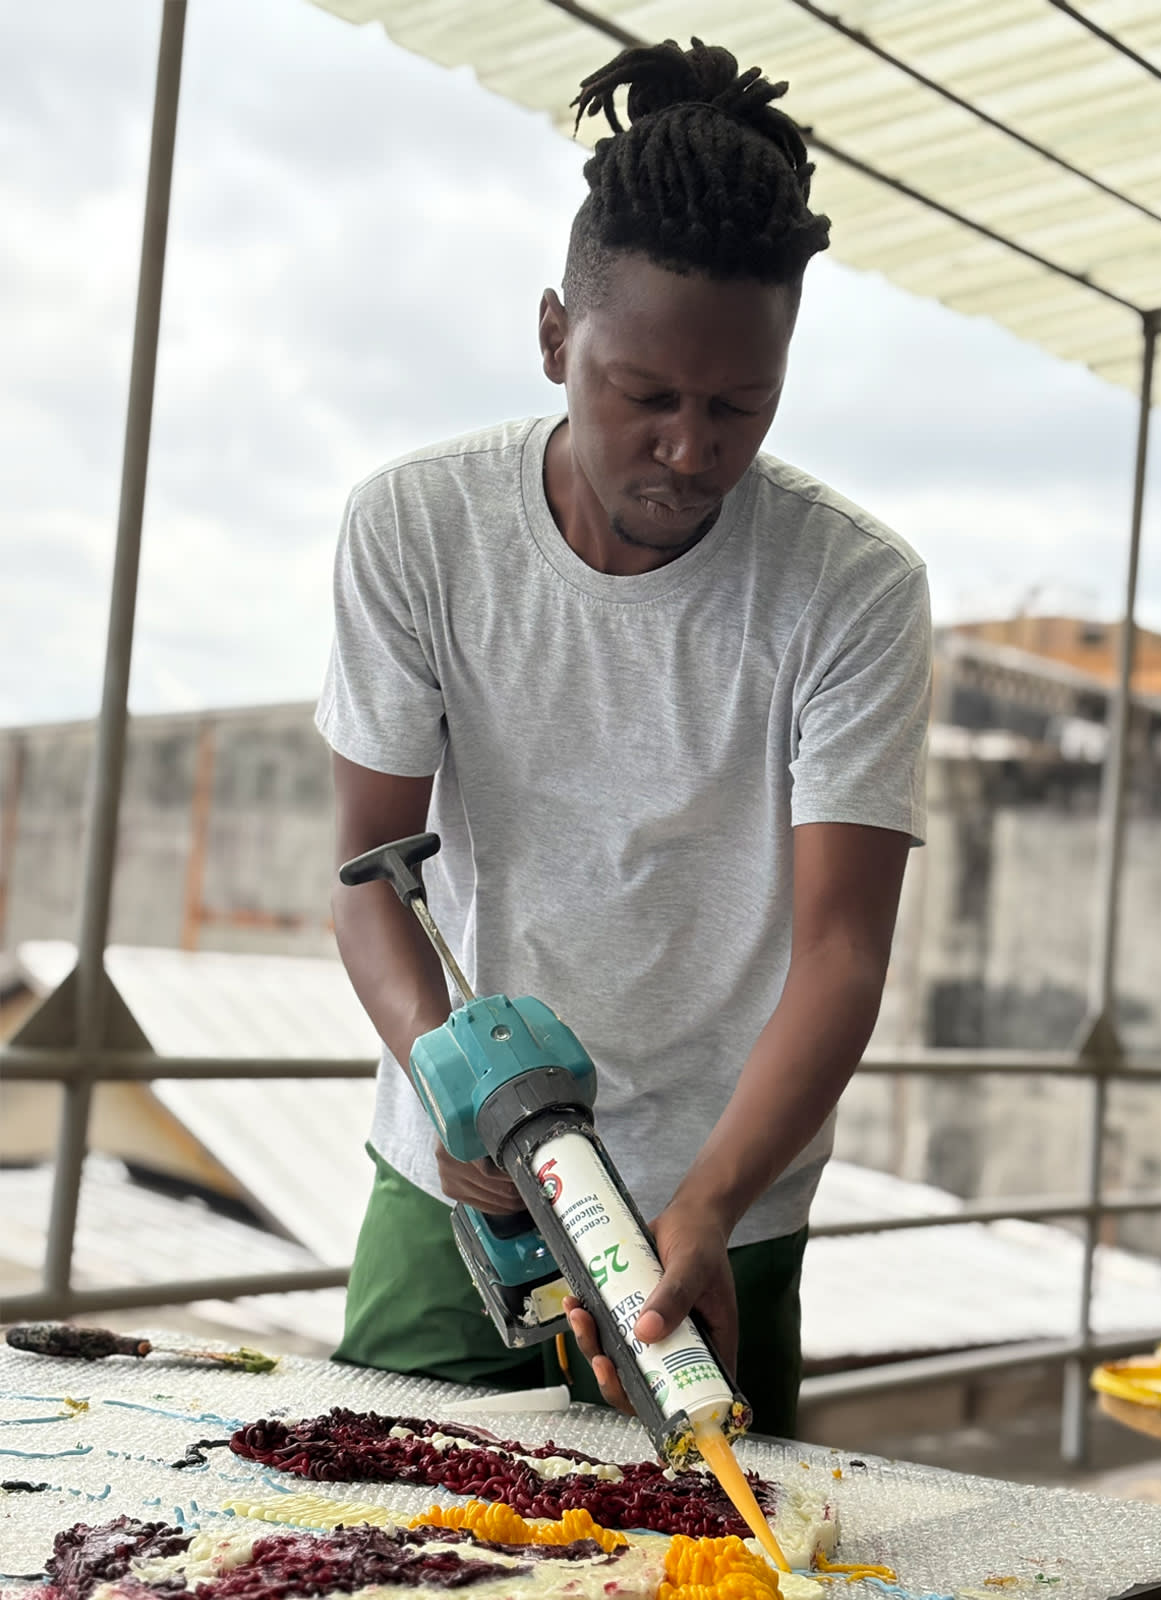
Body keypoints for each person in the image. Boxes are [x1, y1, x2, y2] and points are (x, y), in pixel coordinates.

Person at [316, 37, 930, 1440]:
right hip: (459, 1184)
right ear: (554, 338)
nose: (689, 449)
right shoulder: (417, 529)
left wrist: (708, 1201)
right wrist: (450, 1087)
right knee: (369, 1537)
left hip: (726, 1201)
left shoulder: (852, 586)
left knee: (708, 1560)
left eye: (738, 406)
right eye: (645, 394)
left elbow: (842, 948)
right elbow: (366, 873)